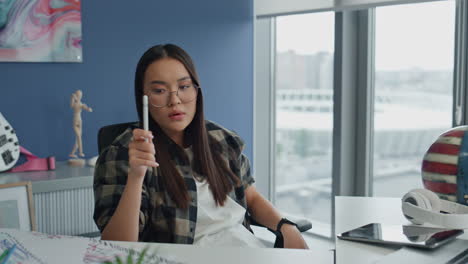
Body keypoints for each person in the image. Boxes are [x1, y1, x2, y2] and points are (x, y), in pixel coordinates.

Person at [93, 44, 308, 249]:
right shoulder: (123, 153)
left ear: (197, 90)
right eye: (160, 90)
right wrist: (136, 177)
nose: (174, 101)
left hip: (244, 251)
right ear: (144, 98)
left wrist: (285, 226)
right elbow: (116, 245)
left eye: (184, 87)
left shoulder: (222, 139)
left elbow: (250, 196)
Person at [69, 89, 93, 158]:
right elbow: (71, 105)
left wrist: (89, 109)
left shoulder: (81, 104)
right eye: (78, 94)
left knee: (78, 138)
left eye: (80, 95)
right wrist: (72, 98)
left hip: (80, 121)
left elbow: (85, 107)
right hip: (75, 120)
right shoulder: (74, 103)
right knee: (79, 137)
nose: (79, 96)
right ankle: (80, 152)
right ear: (76, 95)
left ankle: (72, 153)